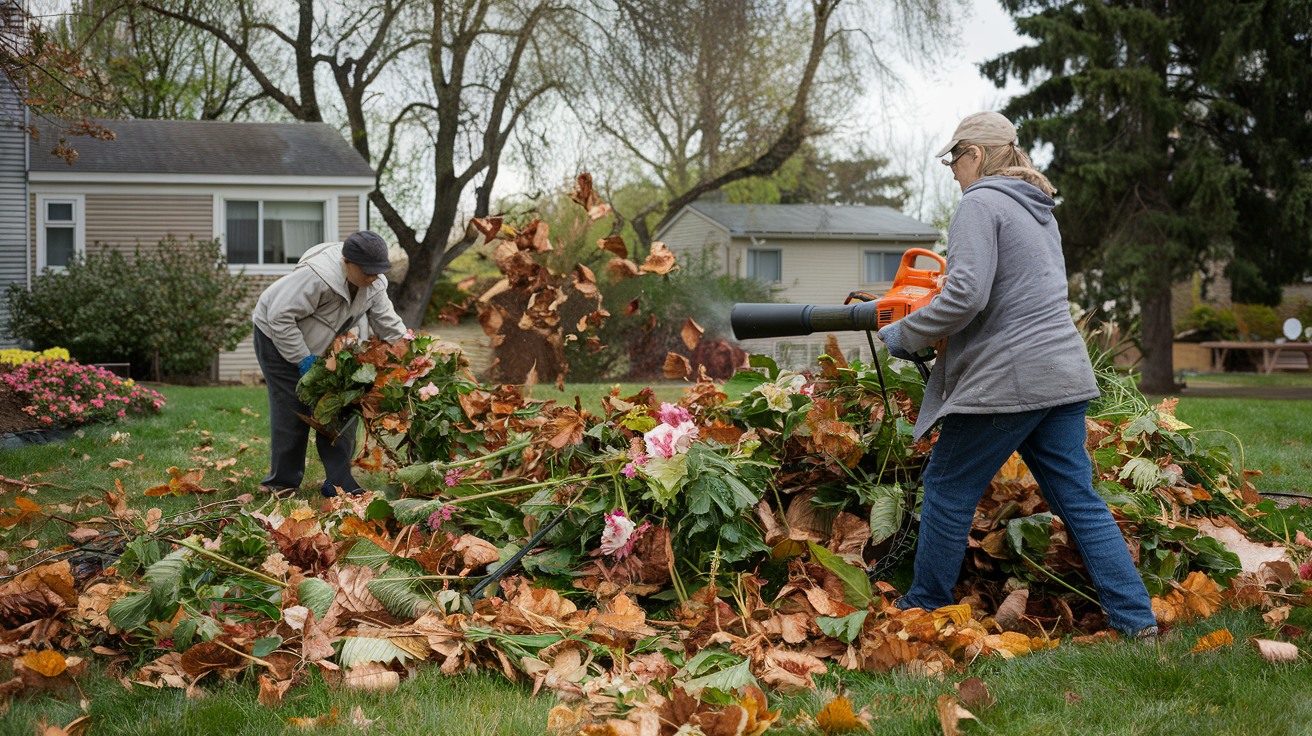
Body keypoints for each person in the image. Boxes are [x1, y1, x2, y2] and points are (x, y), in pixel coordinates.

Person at [876, 112, 1158, 638]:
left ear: (976, 154)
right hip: (1062, 374)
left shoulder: (979, 202)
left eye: (953, 157)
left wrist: (904, 334)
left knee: (946, 487)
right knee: (1079, 501)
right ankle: (1136, 621)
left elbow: (965, 295)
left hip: (1012, 381)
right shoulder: (1037, 208)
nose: (952, 170)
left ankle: (924, 606)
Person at [251, 230, 408, 497]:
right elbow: (280, 317)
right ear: (347, 262)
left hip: (323, 347)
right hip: (275, 336)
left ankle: (339, 483)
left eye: (378, 271)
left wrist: (409, 352)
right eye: (367, 271)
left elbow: (388, 324)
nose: (373, 277)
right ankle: (281, 484)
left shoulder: (374, 283)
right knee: (293, 409)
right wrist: (302, 359)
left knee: (342, 407)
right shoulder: (316, 277)